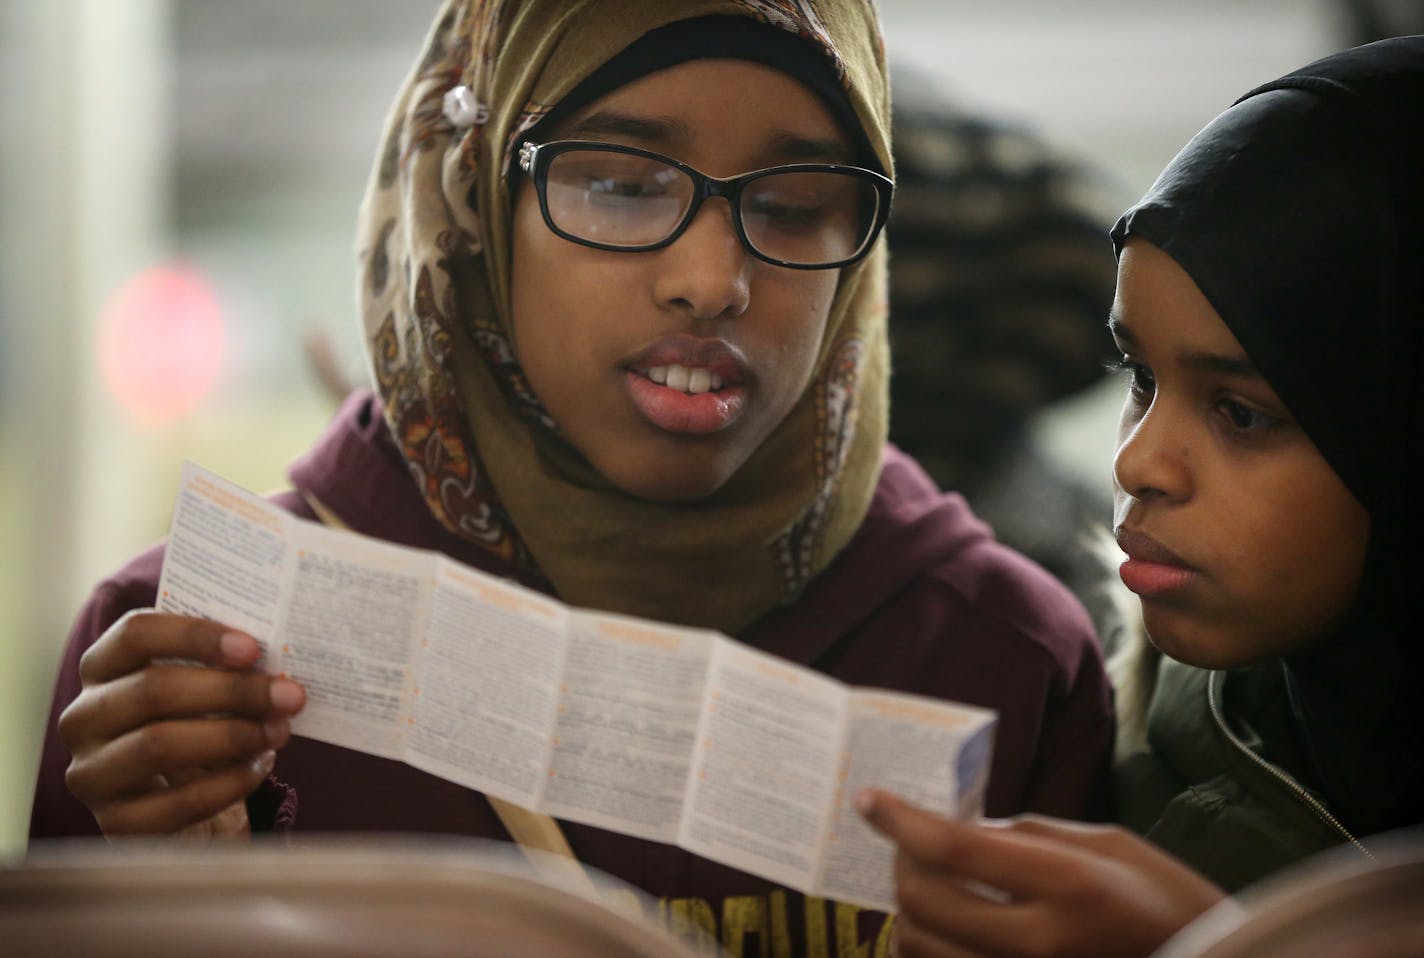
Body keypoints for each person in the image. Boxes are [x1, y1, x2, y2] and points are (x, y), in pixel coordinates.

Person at [28, 2, 1114, 954]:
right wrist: (163, 888)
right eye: (618, 184)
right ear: (472, 198)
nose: (709, 280)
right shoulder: (186, 663)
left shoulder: (999, 659)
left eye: (793, 206)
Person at [858, 35, 1424, 958]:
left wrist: (1211, 946)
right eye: (1140, 376)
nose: (1135, 464)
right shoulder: (1128, 726)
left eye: (1242, 413)